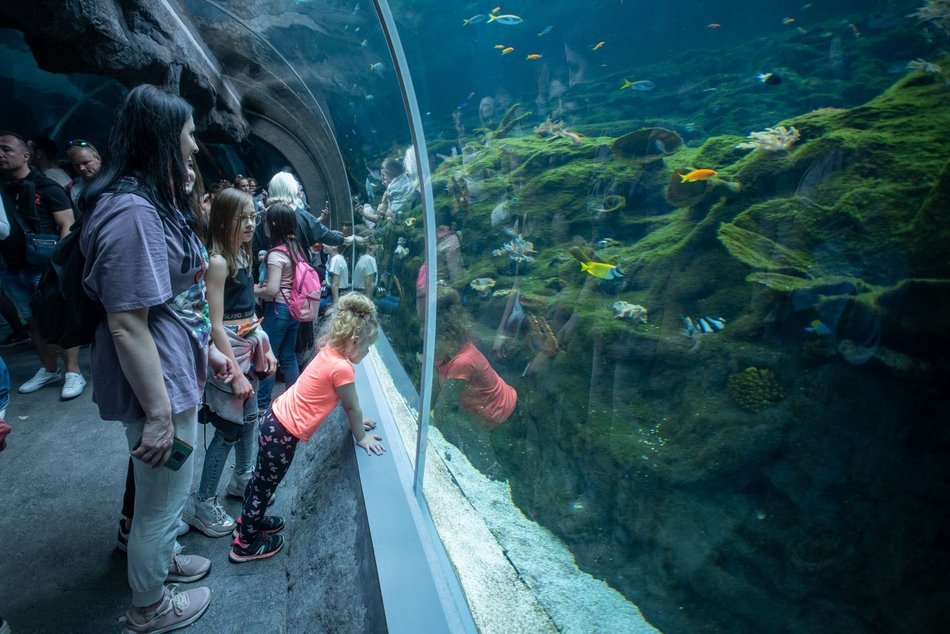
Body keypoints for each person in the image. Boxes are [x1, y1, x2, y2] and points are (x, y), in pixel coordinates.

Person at [80, 84, 214, 632]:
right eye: (188, 134)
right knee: (159, 499)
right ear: (164, 138)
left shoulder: (145, 201)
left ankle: (159, 564)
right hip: (153, 384)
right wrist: (159, 415)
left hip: (167, 371)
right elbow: (127, 322)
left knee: (165, 491)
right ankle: (148, 606)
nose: (196, 148)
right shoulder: (132, 213)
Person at [229, 293, 385, 562]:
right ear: (356, 341)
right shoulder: (343, 369)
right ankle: (245, 543)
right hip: (282, 434)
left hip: (273, 420)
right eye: (368, 347)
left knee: (260, 480)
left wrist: (359, 422)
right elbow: (351, 406)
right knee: (267, 484)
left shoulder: (329, 352)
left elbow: (331, 397)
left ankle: (249, 520)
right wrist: (361, 436)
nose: (368, 353)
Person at [184, 188, 276, 537]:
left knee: (250, 417)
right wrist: (236, 373)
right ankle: (203, 501)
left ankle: (243, 478)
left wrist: (263, 347)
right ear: (223, 220)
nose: (252, 223)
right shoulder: (219, 261)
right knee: (228, 428)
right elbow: (215, 323)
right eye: (244, 217)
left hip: (248, 345)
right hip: (228, 354)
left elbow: (249, 313)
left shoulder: (242, 254)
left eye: (254, 216)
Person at [0, 130, 86, 400]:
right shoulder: (2, 190)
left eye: (6, 149)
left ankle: (73, 371)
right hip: (12, 266)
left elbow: (66, 226)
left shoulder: (46, 186)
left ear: (26, 155)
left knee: (59, 315)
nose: (0, 154)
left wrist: (61, 267)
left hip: (46, 265)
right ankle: (49, 368)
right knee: (33, 320)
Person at [433, 288, 517, 479]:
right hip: (483, 408)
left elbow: (442, 410)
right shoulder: (449, 351)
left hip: (500, 415)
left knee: (492, 470)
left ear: (446, 336)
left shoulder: (462, 362)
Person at [254, 203, 305, 413]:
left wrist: (252, 290)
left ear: (273, 224)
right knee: (288, 355)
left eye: (266, 220)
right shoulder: (295, 249)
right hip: (293, 309)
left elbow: (272, 289)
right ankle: (294, 402)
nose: (263, 224)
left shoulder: (275, 254)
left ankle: (262, 404)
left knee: (268, 356)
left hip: (277, 310)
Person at [65, 139, 103, 211]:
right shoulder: (70, 189)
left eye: (85, 163)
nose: (81, 168)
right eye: (76, 165)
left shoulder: (117, 181)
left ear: (98, 158)